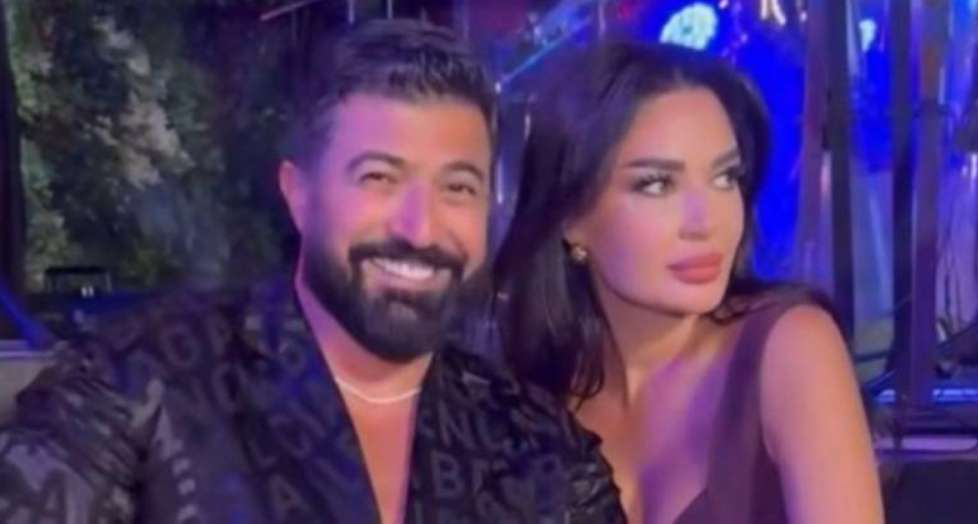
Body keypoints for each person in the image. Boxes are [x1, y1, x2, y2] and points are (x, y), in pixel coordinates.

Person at [0, 19, 624, 523]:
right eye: (379, 177)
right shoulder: (134, 383)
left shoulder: (539, 446)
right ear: (299, 195)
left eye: (457, 188)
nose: (420, 228)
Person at [494, 40, 883, 523]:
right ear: (571, 218)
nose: (706, 222)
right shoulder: (528, 400)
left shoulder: (789, 347)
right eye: (657, 184)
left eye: (725, 178)